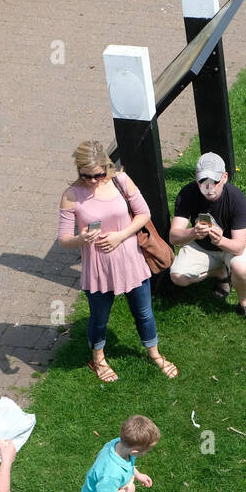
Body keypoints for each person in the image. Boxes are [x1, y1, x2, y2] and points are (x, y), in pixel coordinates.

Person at [57, 140, 178, 382]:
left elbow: (144, 214)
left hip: (131, 260)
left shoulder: (121, 181)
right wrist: (80, 238)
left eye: (99, 174)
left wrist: (120, 236)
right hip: (99, 267)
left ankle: (154, 353)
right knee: (99, 318)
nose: (93, 181)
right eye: (87, 176)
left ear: (106, 166)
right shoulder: (71, 196)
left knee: (144, 312)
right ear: (78, 169)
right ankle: (98, 359)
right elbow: (63, 239)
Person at [170, 152, 246, 330]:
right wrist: (192, 233)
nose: (209, 188)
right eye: (202, 182)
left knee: (240, 268)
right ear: (196, 180)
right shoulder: (188, 193)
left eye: (214, 181)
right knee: (177, 276)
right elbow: (174, 236)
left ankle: (245, 301)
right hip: (203, 245)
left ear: (225, 177)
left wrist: (220, 240)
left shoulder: (236, 198)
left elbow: (238, 246)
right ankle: (221, 273)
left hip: (233, 244)